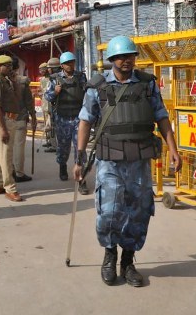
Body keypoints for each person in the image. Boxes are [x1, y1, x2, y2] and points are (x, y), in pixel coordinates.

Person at [74, 36, 181, 288]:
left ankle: (129, 261)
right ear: (112, 59)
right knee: (110, 211)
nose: (126, 60)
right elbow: (85, 121)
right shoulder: (97, 86)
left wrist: (174, 149)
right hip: (109, 160)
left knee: (139, 211)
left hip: (139, 160)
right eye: (121, 57)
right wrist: (79, 158)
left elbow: (162, 117)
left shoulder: (147, 85)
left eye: (130, 56)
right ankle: (110, 255)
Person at [45, 51, 87, 186]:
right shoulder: (54, 79)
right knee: (63, 147)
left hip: (78, 117)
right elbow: (47, 97)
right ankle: (62, 166)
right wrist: (55, 92)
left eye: (72, 62)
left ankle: (81, 177)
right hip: (62, 118)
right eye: (67, 63)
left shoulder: (81, 77)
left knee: (80, 147)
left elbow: (87, 94)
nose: (70, 65)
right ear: (62, 65)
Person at [0, 55, 23, 202]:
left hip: (10, 118)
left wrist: (15, 82)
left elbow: (17, 98)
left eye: (10, 65)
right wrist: (3, 128)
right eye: (7, 66)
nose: (10, 68)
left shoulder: (6, 80)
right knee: (6, 155)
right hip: (4, 120)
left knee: (1, 153)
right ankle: (10, 188)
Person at [11, 57, 36, 183]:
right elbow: (29, 101)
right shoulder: (22, 81)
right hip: (20, 117)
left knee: (7, 147)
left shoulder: (2, 80)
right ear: (17, 67)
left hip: (6, 119)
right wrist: (33, 116)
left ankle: (8, 171)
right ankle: (19, 173)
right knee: (19, 146)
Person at [44, 57, 61, 153]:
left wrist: (54, 93)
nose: (48, 70)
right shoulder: (53, 79)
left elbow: (48, 96)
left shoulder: (54, 80)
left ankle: (56, 146)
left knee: (56, 129)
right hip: (56, 108)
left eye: (50, 68)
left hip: (57, 109)